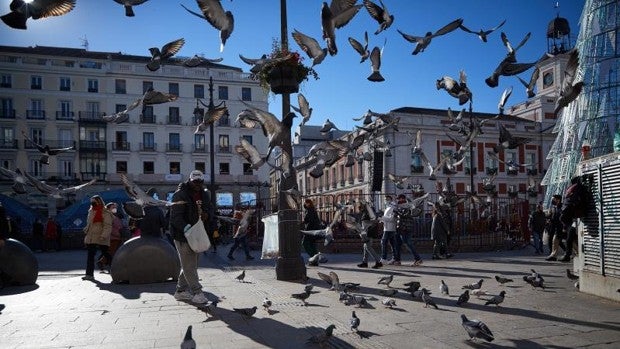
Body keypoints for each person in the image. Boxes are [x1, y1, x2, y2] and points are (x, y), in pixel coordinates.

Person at [169, 170, 215, 304]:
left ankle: (181, 291)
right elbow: (175, 217)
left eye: (200, 182)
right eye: (195, 182)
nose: (198, 184)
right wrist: (186, 228)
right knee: (189, 265)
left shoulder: (205, 194)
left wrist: (208, 214)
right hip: (183, 235)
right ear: (189, 181)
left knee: (190, 264)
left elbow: (210, 209)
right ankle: (197, 292)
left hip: (198, 233)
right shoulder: (180, 195)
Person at [82, 195, 113, 281]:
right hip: (92, 237)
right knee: (90, 256)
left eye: (94, 201)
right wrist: (86, 231)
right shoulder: (91, 211)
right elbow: (89, 224)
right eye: (91, 201)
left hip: (101, 237)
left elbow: (107, 226)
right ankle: (89, 275)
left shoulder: (105, 212)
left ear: (99, 201)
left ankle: (115, 269)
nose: (92, 203)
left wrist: (103, 236)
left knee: (106, 254)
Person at [395, 194, 423, 266]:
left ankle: (418, 259)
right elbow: (399, 216)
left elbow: (406, 215)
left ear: (402, 199)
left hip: (406, 228)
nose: (398, 200)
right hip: (400, 228)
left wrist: (397, 212)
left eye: (399, 199)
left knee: (408, 243)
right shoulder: (399, 206)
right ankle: (397, 260)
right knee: (398, 244)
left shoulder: (408, 206)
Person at [356, 201, 382, 269]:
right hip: (367, 232)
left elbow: (372, 222)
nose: (359, 209)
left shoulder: (368, 213)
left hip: (368, 232)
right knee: (365, 247)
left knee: (368, 247)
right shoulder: (366, 212)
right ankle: (365, 262)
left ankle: (378, 261)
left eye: (360, 207)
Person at [98, 202, 124, 270]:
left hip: (116, 237)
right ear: (108, 209)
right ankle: (102, 262)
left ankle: (104, 263)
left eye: (115, 207)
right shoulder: (108, 217)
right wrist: (117, 234)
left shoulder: (114, 216)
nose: (115, 209)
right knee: (111, 252)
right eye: (113, 207)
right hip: (113, 237)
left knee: (113, 252)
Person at [379, 195, 400, 265]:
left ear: (390, 199)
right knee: (392, 244)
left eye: (387, 199)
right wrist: (381, 220)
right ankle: (395, 258)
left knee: (383, 242)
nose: (385, 201)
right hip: (387, 228)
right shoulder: (388, 207)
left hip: (390, 228)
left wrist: (382, 218)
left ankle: (384, 258)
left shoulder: (393, 207)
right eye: (385, 199)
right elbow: (388, 218)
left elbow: (392, 219)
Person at [546, 194, 566, 261]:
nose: (552, 200)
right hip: (557, 228)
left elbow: (563, 217)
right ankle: (554, 255)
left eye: (553, 199)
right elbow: (554, 218)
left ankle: (575, 253)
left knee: (572, 241)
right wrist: (549, 218)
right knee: (555, 241)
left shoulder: (562, 207)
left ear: (558, 200)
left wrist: (564, 227)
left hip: (563, 228)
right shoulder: (555, 208)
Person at [301, 199, 321, 263]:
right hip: (313, 230)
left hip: (310, 230)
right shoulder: (311, 209)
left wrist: (303, 222)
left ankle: (313, 258)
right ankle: (315, 259)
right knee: (312, 244)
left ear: (309, 203)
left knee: (305, 243)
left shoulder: (310, 210)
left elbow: (308, 220)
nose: (304, 203)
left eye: (306, 202)